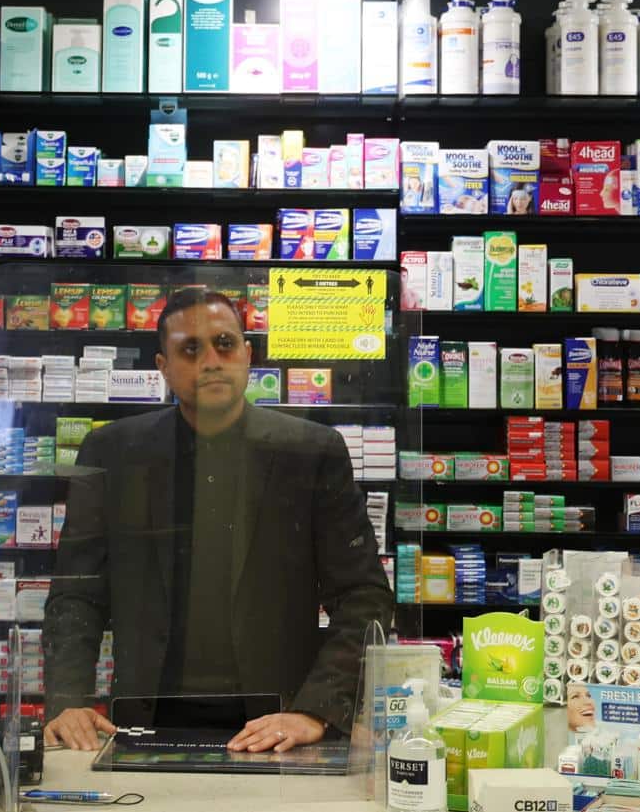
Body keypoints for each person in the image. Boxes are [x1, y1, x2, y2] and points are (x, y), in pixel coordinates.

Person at [43, 286, 394, 756]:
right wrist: (69, 702)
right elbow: (76, 592)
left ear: (248, 355)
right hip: (144, 722)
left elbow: (363, 595)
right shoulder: (112, 452)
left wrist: (318, 709)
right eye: (190, 348)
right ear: (163, 368)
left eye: (224, 344)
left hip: (277, 723)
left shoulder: (310, 452)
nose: (211, 360)